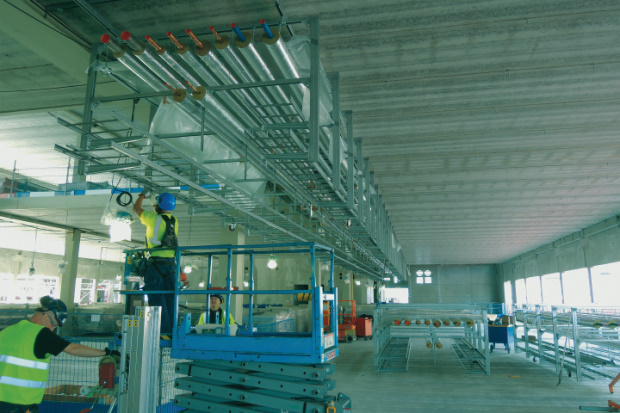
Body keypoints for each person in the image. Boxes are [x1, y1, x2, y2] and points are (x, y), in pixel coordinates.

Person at [0, 296, 120, 413]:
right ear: (45, 317)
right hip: (19, 404)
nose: (52, 330)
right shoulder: (40, 334)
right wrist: (105, 352)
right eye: (53, 325)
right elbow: (73, 348)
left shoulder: (7, 331)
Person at [133, 190, 179, 335]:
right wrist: (154, 201)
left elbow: (136, 209)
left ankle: (162, 331)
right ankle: (172, 330)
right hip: (171, 266)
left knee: (157, 298)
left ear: (158, 206)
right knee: (171, 297)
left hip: (155, 265)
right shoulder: (173, 220)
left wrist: (142, 196)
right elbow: (160, 213)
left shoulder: (153, 219)